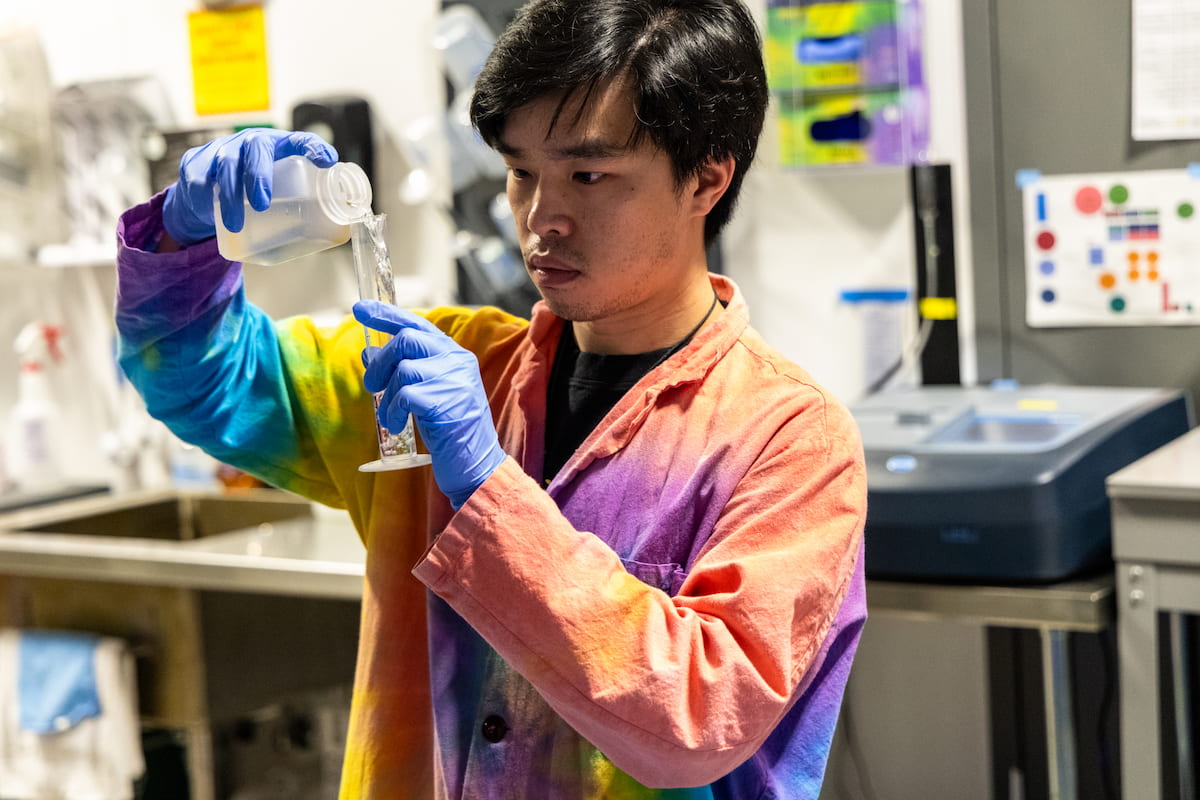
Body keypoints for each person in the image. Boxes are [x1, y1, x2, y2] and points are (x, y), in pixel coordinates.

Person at [114, 0, 867, 796]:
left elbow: (696, 718)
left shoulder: (789, 440)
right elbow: (202, 379)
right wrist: (185, 230)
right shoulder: (442, 368)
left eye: (589, 174)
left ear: (707, 177)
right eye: (520, 172)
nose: (542, 218)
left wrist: (487, 490)